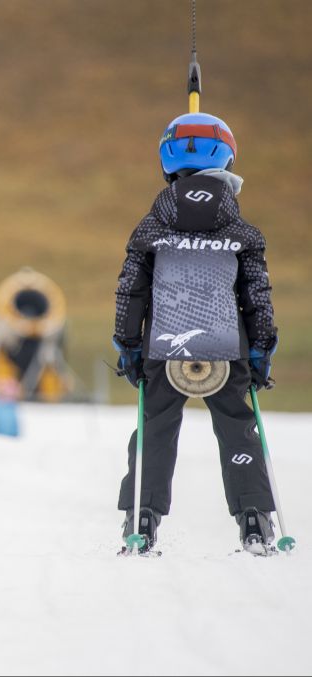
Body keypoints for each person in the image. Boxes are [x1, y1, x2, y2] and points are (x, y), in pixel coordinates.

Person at [113, 112, 279, 554]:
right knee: (238, 426)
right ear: (227, 157)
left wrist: (128, 345)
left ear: (166, 160)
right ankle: (255, 520)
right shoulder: (243, 233)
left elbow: (132, 291)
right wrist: (261, 349)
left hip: (164, 344)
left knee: (156, 428)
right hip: (228, 347)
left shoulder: (150, 230)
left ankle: (142, 518)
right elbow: (257, 297)